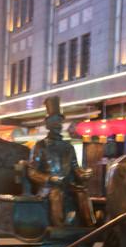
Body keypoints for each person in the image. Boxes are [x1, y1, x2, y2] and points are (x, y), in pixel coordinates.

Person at [27, 96, 95, 227]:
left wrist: (84, 173)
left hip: (67, 184)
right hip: (48, 187)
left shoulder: (68, 147)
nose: (57, 125)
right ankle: (59, 228)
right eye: (54, 121)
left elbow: (76, 168)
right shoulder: (40, 146)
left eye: (59, 121)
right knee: (56, 194)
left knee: (82, 192)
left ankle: (90, 226)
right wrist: (49, 178)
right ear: (47, 124)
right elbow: (32, 171)